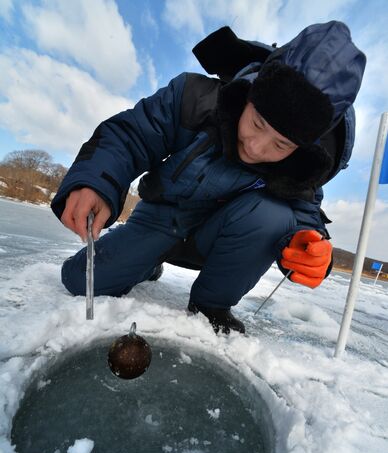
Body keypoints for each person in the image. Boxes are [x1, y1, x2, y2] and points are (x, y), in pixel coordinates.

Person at [51, 21, 366, 335]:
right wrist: (95, 182)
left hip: (220, 244)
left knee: (274, 217)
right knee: (80, 281)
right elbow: (130, 136)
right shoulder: (194, 97)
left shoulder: (304, 170)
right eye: (257, 123)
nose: (256, 147)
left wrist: (309, 252)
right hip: (159, 221)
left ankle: (211, 306)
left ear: (301, 146)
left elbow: (305, 225)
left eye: (280, 144)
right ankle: (146, 262)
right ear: (250, 95)